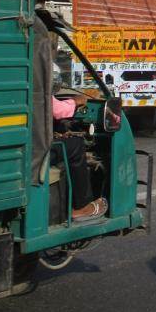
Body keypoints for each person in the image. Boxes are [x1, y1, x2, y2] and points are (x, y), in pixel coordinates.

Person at [51, 66, 107, 222]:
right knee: (76, 145)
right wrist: (76, 100)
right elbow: (58, 110)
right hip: (36, 151)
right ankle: (82, 206)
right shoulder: (37, 87)